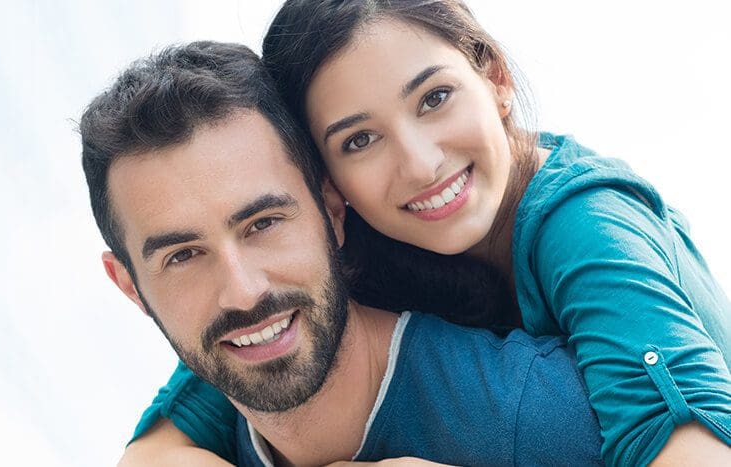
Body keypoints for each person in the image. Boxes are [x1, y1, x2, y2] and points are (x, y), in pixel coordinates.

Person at [127, 1, 731, 466]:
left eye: (435, 97)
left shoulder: (587, 221)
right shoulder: (344, 247)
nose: (418, 163)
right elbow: (158, 448)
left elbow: (688, 445)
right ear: (327, 186)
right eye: (359, 140)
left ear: (493, 76)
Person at [80, 41, 605, 466]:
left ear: (333, 210)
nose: (242, 292)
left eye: (263, 223)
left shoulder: (525, 413)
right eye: (183, 256)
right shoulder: (207, 440)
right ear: (130, 286)